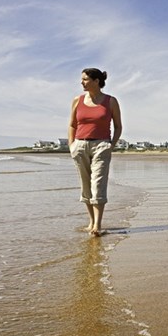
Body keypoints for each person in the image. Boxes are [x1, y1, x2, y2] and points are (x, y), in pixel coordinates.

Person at [68, 68, 123, 238]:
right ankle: (91, 222)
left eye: (85, 79)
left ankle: (98, 226)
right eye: (82, 79)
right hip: (80, 146)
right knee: (86, 186)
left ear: (96, 81)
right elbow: (72, 125)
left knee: (98, 184)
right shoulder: (78, 100)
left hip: (101, 146)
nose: (82, 82)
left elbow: (118, 126)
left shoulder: (111, 101)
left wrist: (110, 146)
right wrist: (72, 146)